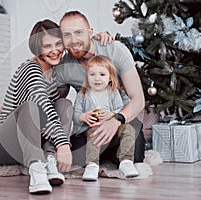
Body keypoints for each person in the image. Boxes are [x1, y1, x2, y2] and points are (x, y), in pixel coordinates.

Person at [0, 19, 73, 194]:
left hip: (34, 140)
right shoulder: (30, 69)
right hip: (3, 145)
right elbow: (41, 105)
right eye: (47, 46)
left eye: (58, 44)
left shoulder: (59, 73)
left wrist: (99, 39)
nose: (54, 50)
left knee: (65, 104)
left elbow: (90, 63)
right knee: (32, 106)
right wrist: (63, 144)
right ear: (37, 48)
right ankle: (36, 169)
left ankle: (49, 160)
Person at [55, 10, 146, 167]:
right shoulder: (64, 67)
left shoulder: (114, 50)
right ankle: (101, 156)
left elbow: (138, 99)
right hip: (87, 128)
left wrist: (116, 120)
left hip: (121, 121)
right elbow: (53, 100)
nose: (73, 40)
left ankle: (110, 155)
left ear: (90, 32)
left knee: (135, 155)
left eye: (78, 33)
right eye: (67, 35)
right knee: (76, 161)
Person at [73, 55, 139, 180]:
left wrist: (112, 114)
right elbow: (75, 115)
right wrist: (83, 116)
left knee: (128, 129)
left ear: (110, 78)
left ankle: (126, 162)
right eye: (92, 75)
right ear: (87, 77)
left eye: (102, 74)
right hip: (93, 130)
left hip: (112, 130)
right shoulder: (83, 94)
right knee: (94, 132)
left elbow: (120, 109)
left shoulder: (112, 92)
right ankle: (92, 165)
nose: (97, 78)